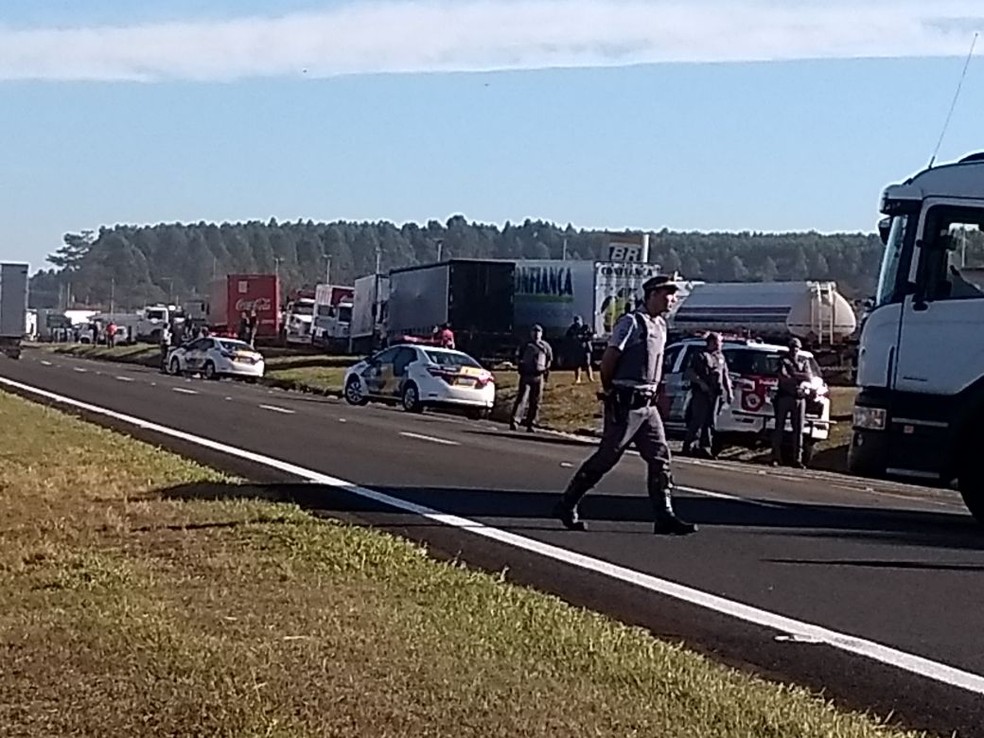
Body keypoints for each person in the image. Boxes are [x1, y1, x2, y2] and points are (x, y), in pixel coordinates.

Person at [553, 274, 696, 535]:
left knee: (660, 457)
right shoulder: (631, 322)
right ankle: (567, 503)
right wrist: (610, 389)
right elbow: (609, 358)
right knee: (608, 456)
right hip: (626, 402)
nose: (673, 299)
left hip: (648, 404)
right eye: (668, 293)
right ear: (652, 294)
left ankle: (664, 516)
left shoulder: (661, 326)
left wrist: (658, 394)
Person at [682, 332, 733, 459]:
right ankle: (689, 445)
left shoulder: (720, 357)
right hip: (702, 393)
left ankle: (705, 448)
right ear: (711, 342)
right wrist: (701, 383)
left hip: (716, 394)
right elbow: (690, 373)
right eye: (718, 342)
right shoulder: (700, 355)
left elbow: (725, 375)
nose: (720, 344)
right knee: (698, 420)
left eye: (721, 342)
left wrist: (729, 392)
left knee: (710, 421)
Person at [772, 337, 813, 468]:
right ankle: (776, 457)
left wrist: (794, 375)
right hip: (784, 397)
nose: (794, 350)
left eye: (797, 347)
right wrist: (799, 376)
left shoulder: (804, 361)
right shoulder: (783, 360)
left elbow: (809, 377)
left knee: (798, 430)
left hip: (799, 398)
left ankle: (797, 459)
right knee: (779, 428)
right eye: (792, 347)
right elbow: (783, 378)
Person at [510, 325, 554, 432]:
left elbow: (550, 359)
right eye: (534, 331)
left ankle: (532, 424)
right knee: (522, 399)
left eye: (538, 331)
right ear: (531, 333)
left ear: (542, 333)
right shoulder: (525, 345)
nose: (536, 334)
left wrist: (545, 370)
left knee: (536, 402)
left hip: (539, 376)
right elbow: (518, 357)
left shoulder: (545, 346)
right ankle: (515, 421)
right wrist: (521, 366)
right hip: (526, 376)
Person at [565, 316, 594, 384]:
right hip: (577, 349)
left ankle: (590, 378)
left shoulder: (586, 327)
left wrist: (584, 337)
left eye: (579, 321)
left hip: (586, 349)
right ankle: (578, 379)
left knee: (587, 364)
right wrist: (573, 338)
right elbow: (567, 336)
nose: (577, 323)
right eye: (576, 321)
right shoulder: (572, 328)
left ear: (581, 321)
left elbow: (591, 335)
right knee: (577, 364)